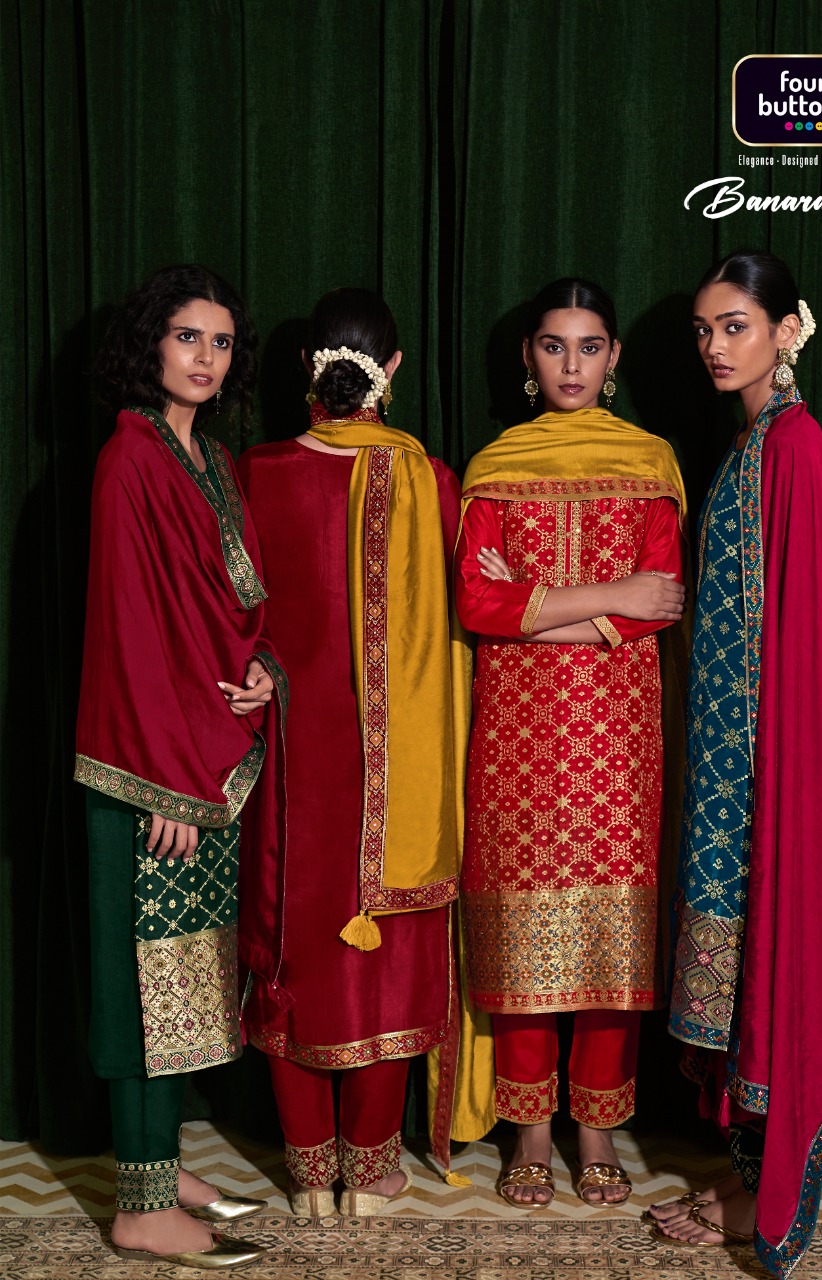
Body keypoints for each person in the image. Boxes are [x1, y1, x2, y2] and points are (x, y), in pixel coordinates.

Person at [646, 252, 822, 1275]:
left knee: (771, 960)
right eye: (703, 329)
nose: (713, 345)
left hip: (763, 763)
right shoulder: (749, 443)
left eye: (734, 325)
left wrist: (784, 772)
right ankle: (744, 1179)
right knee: (736, 975)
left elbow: (806, 622)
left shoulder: (794, 445)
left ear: (787, 330)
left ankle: (763, 1195)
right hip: (725, 767)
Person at [454, 278, 688, 1208]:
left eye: (589, 347)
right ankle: (528, 1132)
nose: (571, 365)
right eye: (553, 346)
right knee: (521, 938)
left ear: (614, 357)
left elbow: (661, 599)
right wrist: (606, 600)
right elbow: (475, 602)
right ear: (528, 357)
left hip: (618, 739)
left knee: (608, 942)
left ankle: (596, 1128)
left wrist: (535, 610)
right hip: (516, 737)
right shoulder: (495, 467)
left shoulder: (650, 463)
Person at [75, 265, 286, 1267]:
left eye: (221, 342)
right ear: (150, 345)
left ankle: (165, 1167)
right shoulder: (130, 457)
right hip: (153, 771)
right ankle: (141, 1203)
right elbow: (129, 630)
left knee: (189, 979)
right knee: (145, 985)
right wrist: (165, 778)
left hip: (203, 755)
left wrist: (261, 669)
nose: (205, 357)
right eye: (187, 337)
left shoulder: (208, 458)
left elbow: (235, 604)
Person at [236, 288, 463, 1217]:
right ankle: (370, 1173)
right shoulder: (430, 480)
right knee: (387, 953)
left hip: (291, 762)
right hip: (403, 772)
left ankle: (307, 1176)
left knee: (293, 947)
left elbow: (229, 614)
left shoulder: (255, 472)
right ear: (393, 370)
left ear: (307, 368)